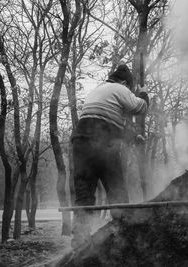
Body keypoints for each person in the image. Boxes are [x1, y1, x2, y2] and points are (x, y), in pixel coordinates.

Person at [71, 64, 148, 248]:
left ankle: (79, 241)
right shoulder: (120, 88)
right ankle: (124, 234)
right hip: (103, 143)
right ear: (124, 82)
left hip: (80, 143)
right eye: (129, 87)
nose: (129, 90)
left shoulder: (98, 91)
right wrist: (143, 94)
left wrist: (133, 137)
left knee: (84, 193)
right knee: (117, 189)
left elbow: (104, 121)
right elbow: (139, 107)